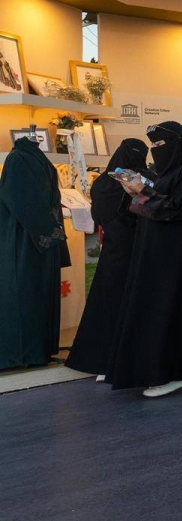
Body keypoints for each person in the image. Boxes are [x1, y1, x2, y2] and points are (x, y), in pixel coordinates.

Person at [106, 122, 182, 398]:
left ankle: (178, 372)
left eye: (160, 144)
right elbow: (160, 205)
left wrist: (141, 193)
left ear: (179, 144)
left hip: (179, 259)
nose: (155, 150)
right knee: (165, 308)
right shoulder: (169, 172)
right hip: (163, 256)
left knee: (174, 309)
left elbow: (178, 210)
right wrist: (136, 191)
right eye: (152, 145)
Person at [65, 139, 148, 379]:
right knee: (135, 307)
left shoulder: (102, 183)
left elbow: (97, 216)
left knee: (106, 306)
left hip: (112, 253)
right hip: (140, 252)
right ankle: (128, 362)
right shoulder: (142, 180)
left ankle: (100, 364)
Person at [0, 137, 69, 370]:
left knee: (30, 294)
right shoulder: (22, 159)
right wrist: (51, 232)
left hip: (32, 238)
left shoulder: (24, 158)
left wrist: (49, 233)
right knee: (24, 293)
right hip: (29, 238)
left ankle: (32, 352)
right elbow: (21, 200)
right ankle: (25, 353)